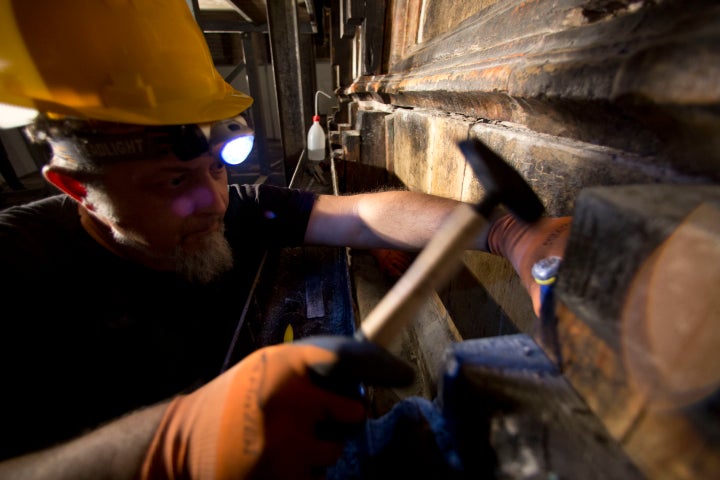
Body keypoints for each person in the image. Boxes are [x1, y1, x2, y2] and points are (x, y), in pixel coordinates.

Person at [0, 1, 571, 478]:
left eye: (218, 169)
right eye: (173, 181)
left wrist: (508, 233)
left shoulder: (232, 212)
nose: (214, 201)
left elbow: (358, 214)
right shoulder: (19, 262)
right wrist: (171, 446)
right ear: (76, 187)